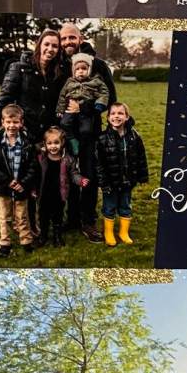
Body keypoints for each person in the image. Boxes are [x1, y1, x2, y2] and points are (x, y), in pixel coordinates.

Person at [0, 29, 65, 237]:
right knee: (26, 181)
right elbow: (4, 97)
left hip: (46, 135)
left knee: (42, 181)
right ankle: (28, 227)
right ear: (39, 45)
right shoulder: (19, 68)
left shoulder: (58, 72)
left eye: (55, 46)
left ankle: (42, 222)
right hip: (25, 134)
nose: (50, 49)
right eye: (47, 44)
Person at [59, 23, 116, 243]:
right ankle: (72, 218)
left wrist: (83, 108)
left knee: (89, 175)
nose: (67, 43)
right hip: (67, 133)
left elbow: (110, 97)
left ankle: (88, 220)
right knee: (70, 174)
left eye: (71, 38)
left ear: (80, 38)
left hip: (90, 132)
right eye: (64, 39)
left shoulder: (99, 65)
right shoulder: (62, 65)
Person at [0, 104, 39, 257]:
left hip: (22, 186)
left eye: (15, 122)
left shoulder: (28, 143)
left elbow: (32, 166)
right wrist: (8, 181)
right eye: (8, 122)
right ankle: (5, 243)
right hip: (4, 187)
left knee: (22, 215)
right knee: (5, 216)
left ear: (21, 123)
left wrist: (23, 183)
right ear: (2, 122)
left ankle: (26, 240)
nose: (12, 126)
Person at [95, 102, 149, 247]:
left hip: (128, 180)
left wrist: (143, 176)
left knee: (125, 206)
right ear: (107, 118)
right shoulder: (103, 139)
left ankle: (123, 233)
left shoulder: (134, 136)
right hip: (111, 182)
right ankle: (108, 232)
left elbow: (141, 157)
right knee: (109, 207)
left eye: (120, 113)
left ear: (126, 117)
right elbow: (99, 164)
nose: (116, 116)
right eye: (113, 114)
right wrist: (103, 182)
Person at [36, 126, 88, 247]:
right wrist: (34, 190)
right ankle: (43, 236)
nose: (53, 146)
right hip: (44, 193)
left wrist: (80, 180)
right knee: (43, 216)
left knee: (57, 216)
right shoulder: (41, 158)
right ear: (45, 144)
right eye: (49, 143)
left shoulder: (68, 159)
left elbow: (74, 173)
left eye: (56, 143)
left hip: (59, 194)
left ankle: (57, 236)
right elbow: (36, 176)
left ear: (62, 143)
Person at [57, 52, 109, 154]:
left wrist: (99, 104)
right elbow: (62, 96)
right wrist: (60, 109)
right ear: (73, 71)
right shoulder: (69, 82)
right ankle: (72, 140)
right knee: (63, 123)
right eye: (78, 69)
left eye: (84, 69)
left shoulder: (95, 81)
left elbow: (104, 92)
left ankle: (83, 147)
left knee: (86, 130)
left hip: (85, 111)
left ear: (89, 70)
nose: (81, 71)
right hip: (70, 108)